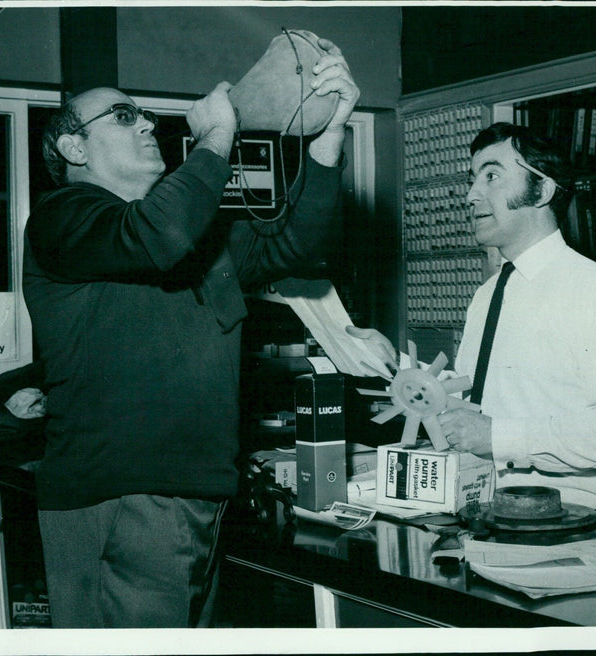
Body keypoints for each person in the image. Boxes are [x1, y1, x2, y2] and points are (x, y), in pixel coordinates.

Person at [23, 38, 359, 628]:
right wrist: (214, 141)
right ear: (72, 146)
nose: (147, 123)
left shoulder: (189, 229)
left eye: (146, 114)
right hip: (123, 496)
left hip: (194, 495)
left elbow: (292, 245)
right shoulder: (64, 217)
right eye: (124, 116)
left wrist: (327, 140)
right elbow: (156, 236)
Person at [349, 122, 596, 512]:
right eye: (473, 179)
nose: (471, 195)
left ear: (542, 191)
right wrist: (394, 366)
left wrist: (499, 437)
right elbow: (471, 395)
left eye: (492, 176)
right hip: (485, 512)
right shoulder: (488, 293)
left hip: (567, 521)